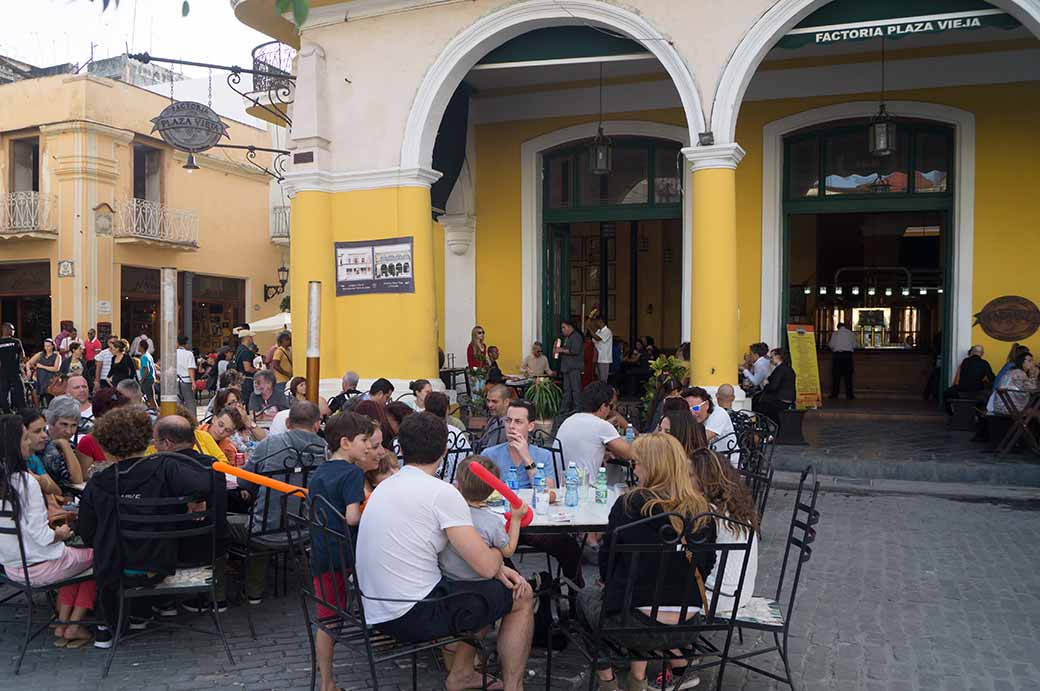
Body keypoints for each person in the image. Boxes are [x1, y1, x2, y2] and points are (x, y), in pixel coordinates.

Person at [356, 413, 535, 691]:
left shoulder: (385, 486)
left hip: (374, 605)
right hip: (411, 612)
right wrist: (500, 557)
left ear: (400, 448)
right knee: (519, 595)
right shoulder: (442, 493)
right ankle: (514, 686)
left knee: (481, 589)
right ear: (445, 450)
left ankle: (463, 673)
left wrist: (498, 568)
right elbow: (486, 566)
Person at [581, 433, 717, 691]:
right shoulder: (701, 509)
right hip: (687, 627)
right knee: (629, 600)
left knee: (584, 599)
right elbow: (707, 564)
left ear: (652, 467)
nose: (635, 468)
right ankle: (636, 680)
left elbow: (608, 562)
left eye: (637, 463)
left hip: (635, 624)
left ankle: (609, 682)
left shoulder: (630, 504)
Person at [78, 407, 225, 635]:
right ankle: (155, 607)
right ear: (145, 438)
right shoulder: (164, 468)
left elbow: (87, 533)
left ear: (104, 444)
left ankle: (115, 623)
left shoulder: (99, 482)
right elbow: (206, 482)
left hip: (119, 566)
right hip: (163, 559)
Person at [0, 415, 97, 649]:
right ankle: (72, 624)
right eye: (24, 438)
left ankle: (62, 620)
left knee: (76, 560)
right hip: (41, 567)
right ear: (14, 445)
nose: (28, 444)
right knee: (102, 554)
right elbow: (43, 536)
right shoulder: (25, 482)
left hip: (12, 568)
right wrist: (62, 532)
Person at [305, 410, 380, 691]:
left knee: (327, 619)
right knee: (332, 621)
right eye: (364, 440)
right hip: (344, 555)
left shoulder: (321, 470)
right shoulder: (351, 473)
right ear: (346, 443)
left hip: (321, 553)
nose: (369, 446)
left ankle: (327, 680)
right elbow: (352, 518)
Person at [236, 401, 326, 605]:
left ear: (287, 422)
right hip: (306, 530)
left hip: (264, 530)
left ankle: (244, 592)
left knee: (224, 525)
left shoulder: (269, 445)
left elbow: (243, 481)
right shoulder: (327, 452)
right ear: (317, 424)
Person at [439, 456, 525, 581]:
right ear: (491, 491)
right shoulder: (492, 522)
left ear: (458, 485)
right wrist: (516, 519)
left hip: (449, 578)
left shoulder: (448, 512)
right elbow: (508, 551)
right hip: (480, 581)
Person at [556, 381, 635, 486]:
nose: (612, 410)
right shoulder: (602, 425)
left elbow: (580, 448)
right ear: (603, 407)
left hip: (561, 484)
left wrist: (601, 453)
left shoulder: (569, 420)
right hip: (584, 488)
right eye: (611, 406)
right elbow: (629, 454)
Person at [481, 400, 552, 489]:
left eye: (518, 422)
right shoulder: (489, 455)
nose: (511, 426)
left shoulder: (544, 455)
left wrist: (527, 459)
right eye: (508, 420)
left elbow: (549, 493)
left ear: (530, 426)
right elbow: (479, 492)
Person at [684, 387, 739, 468]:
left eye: (696, 408)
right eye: (688, 409)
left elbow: (700, 440)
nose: (692, 413)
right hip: (708, 462)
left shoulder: (719, 414)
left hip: (727, 465)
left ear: (706, 405)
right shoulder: (691, 417)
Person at [39, 396, 87, 486]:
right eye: (64, 424)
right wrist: (65, 445)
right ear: (51, 421)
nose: (69, 431)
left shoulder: (70, 444)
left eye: (73, 425)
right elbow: (77, 480)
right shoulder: (43, 446)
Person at [988, 349, 1038, 417]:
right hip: (1009, 408)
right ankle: (1024, 427)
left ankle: (1022, 427)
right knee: (1037, 412)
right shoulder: (1020, 373)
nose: (1033, 363)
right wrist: (1033, 375)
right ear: (1022, 362)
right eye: (1030, 361)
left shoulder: (1011, 371)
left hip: (1000, 405)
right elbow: (1033, 390)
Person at [754, 348, 797, 426]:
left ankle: (764, 429)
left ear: (779, 356)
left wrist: (766, 384)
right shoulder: (788, 369)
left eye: (772, 357)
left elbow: (773, 386)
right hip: (788, 399)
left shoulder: (780, 369)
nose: (770, 359)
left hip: (780, 400)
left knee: (757, 406)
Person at [554, 319, 584, 413]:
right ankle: (565, 409)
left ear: (570, 327)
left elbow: (575, 351)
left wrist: (561, 350)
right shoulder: (567, 338)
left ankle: (577, 409)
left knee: (575, 389)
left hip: (574, 367)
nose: (562, 329)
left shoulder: (576, 337)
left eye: (564, 327)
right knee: (567, 390)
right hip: (567, 368)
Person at [472, 384, 510, 454]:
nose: (490, 405)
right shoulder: (494, 419)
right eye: (488, 401)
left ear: (506, 402)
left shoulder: (507, 424)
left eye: (494, 401)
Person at [28, 338, 62, 407]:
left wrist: (42, 366)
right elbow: (29, 362)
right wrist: (29, 370)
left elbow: (56, 368)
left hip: (50, 381)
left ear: (53, 346)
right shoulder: (41, 354)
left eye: (49, 346)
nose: (47, 348)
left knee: (50, 400)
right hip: (39, 380)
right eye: (45, 346)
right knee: (35, 393)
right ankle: (37, 410)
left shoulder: (57, 356)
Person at [0, 322, 26, 412]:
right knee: (20, 392)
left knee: (4, 394)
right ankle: (23, 412)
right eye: (13, 329)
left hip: (2, 372)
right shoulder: (16, 341)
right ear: (8, 330)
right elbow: (23, 356)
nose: (14, 331)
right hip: (15, 372)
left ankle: (7, 413)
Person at [828, 322, 856, 400]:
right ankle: (849, 395)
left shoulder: (835, 334)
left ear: (838, 327)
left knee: (836, 377)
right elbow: (854, 345)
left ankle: (834, 394)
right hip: (848, 356)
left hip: (838, 356)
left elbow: (831, 345)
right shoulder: (850, 333)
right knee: (848, 377)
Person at [233, 330, 258, 401]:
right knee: (248, 400)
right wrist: (257, 370)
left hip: (241, 379)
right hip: (247, 380)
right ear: (247, 338)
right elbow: (247, 368)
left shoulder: (239, 349)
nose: (252, 339)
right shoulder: (246, 351)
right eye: (251, 337)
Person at [590, 311, 613, 383]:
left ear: (600, 321)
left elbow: (597, 338)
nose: (595, 323)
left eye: (596, 322)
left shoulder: (607, 331)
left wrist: (590, 329)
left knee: (603, 380)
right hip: (597, 358)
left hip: (604, 359)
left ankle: (603, 394)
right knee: (598, 379)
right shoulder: (598, 331)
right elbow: (593, 340)